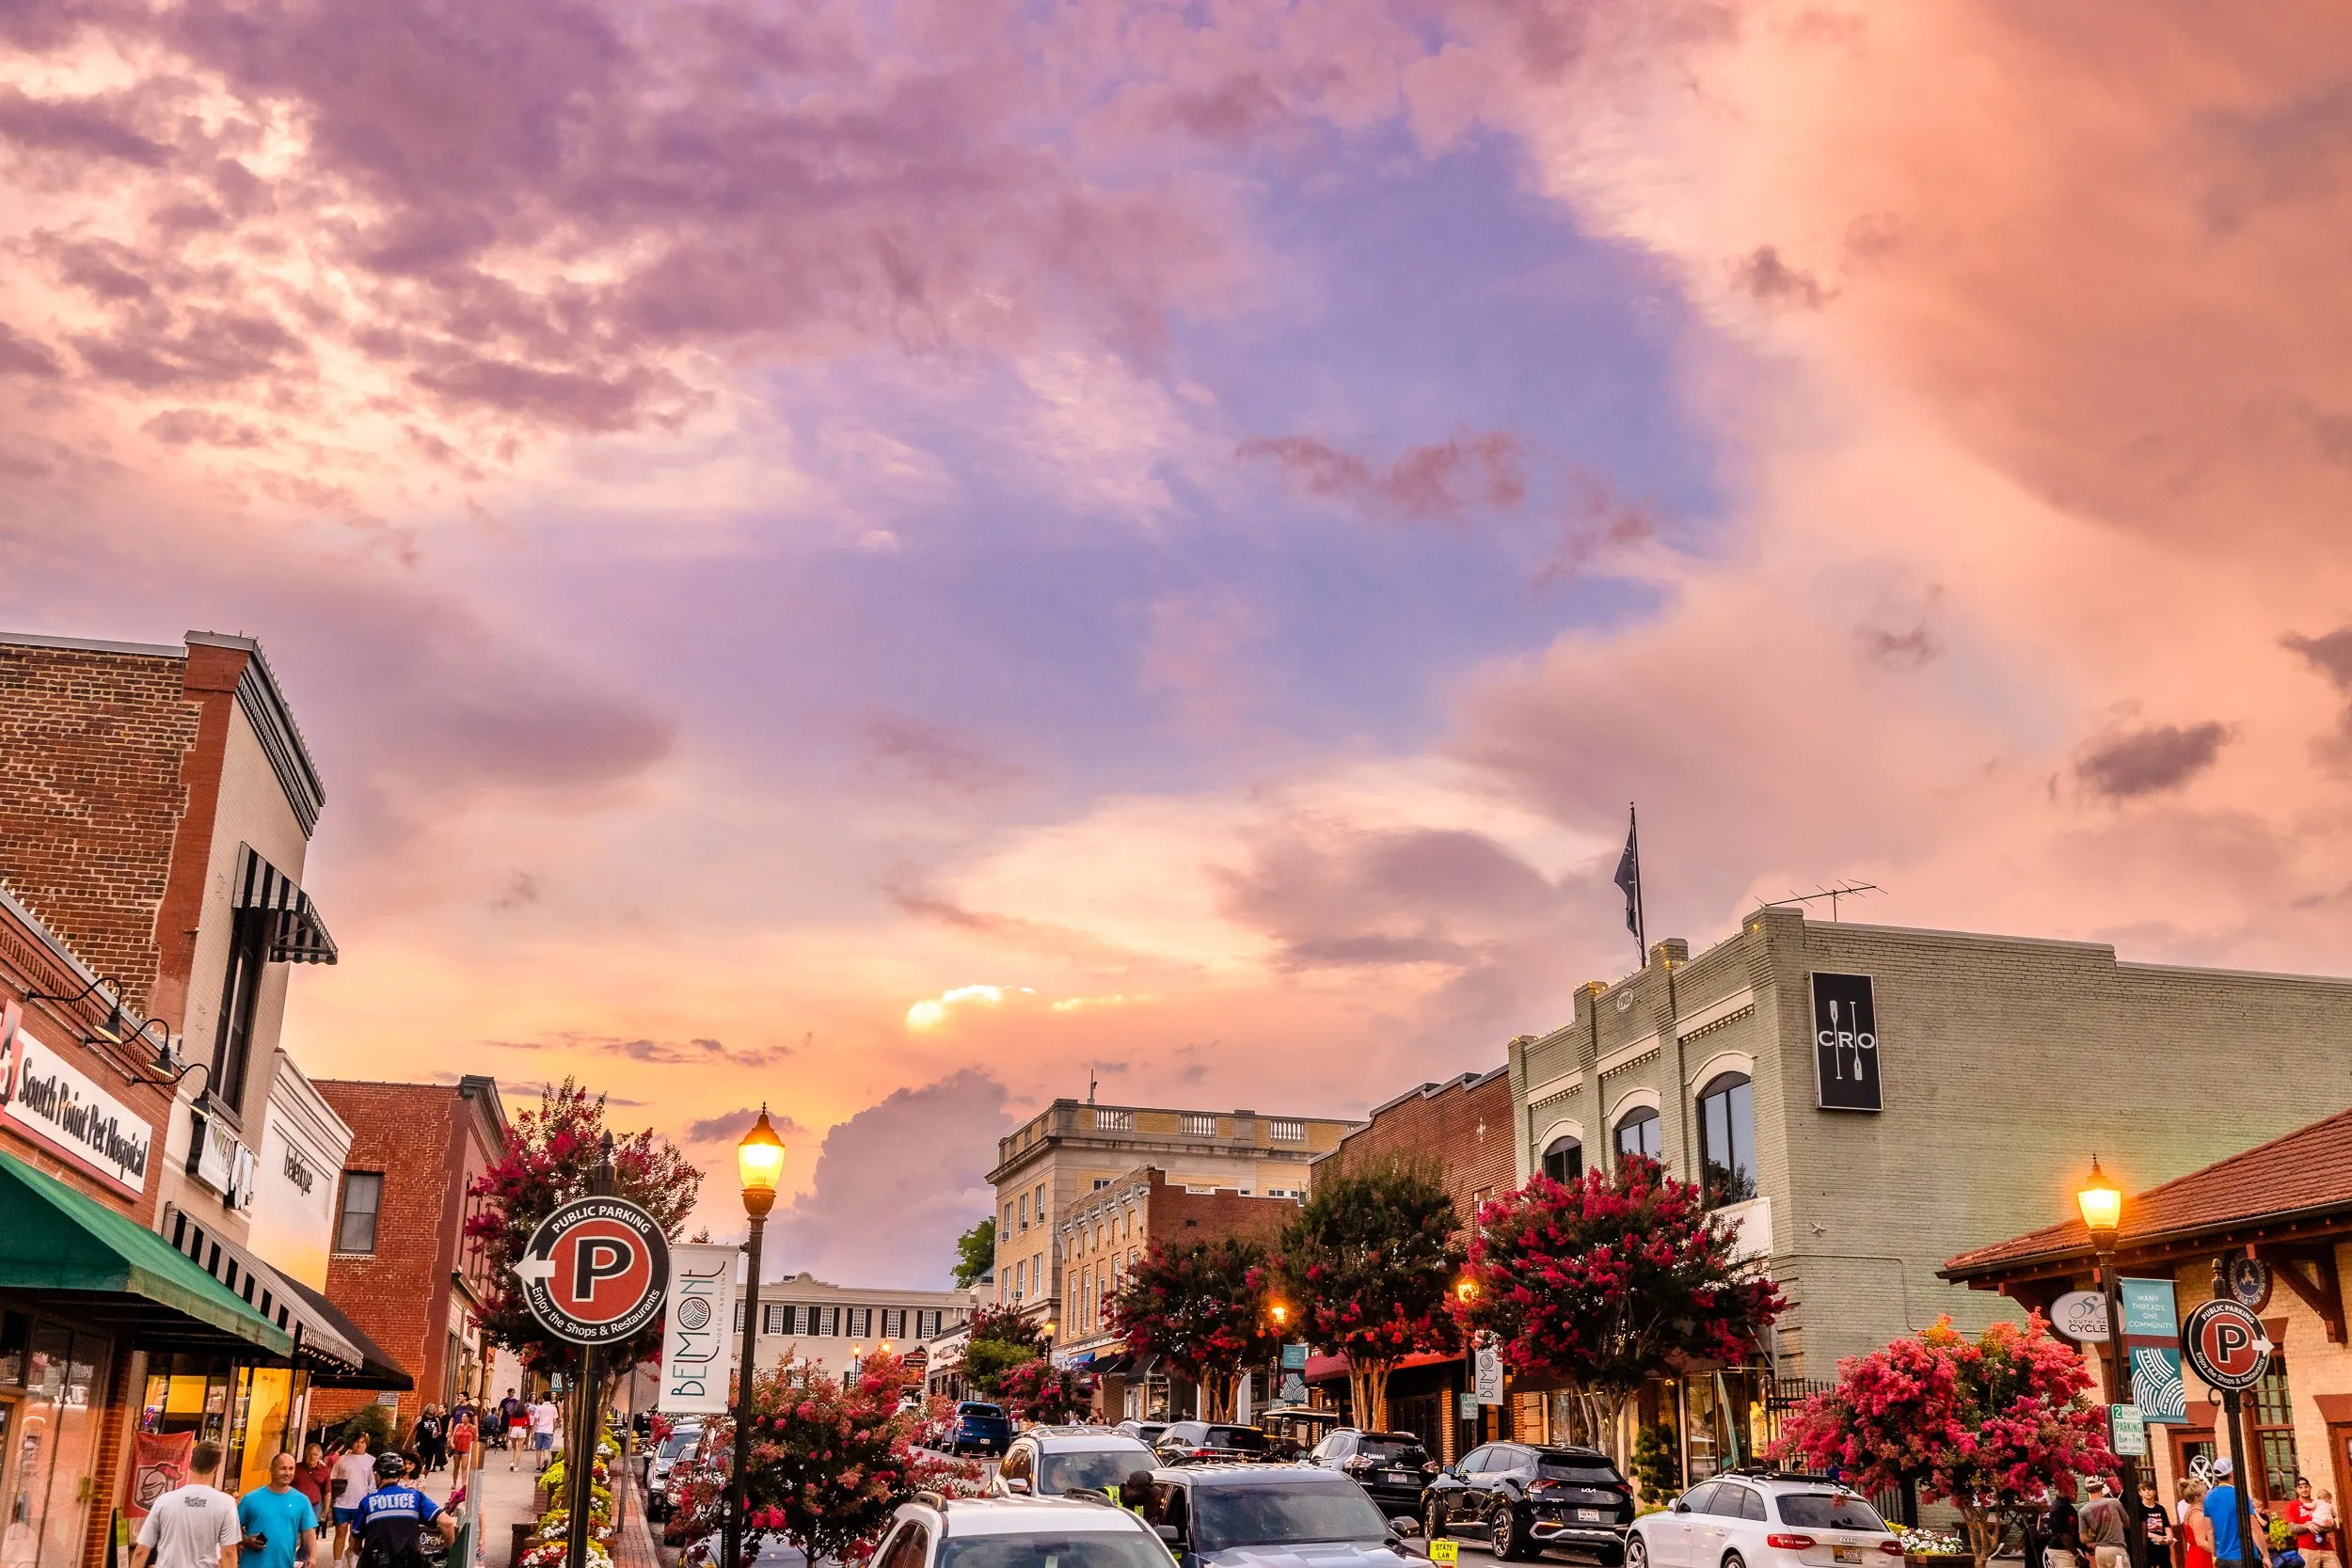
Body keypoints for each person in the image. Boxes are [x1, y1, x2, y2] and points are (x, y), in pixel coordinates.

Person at [133, 1443, 243, 1568]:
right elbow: (229, 1552)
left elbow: (141, 1550)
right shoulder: (226, 1503)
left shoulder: (164, 1501)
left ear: (190, 1464)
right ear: (216, 1468)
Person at [350, 1451, 454, 1568]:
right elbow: (447, 1523)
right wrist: (448, 1552)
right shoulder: (416, 1497)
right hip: (409, 1562)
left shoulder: (367, 1502)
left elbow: (355, 1541)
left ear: (377, 1475)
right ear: (400, 1475)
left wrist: (363, 1554)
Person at [238, 1452, 321, 1568]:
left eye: (291, 1469)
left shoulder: (302, 1500)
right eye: (283, 1468)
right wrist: (247, 1541)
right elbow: (232, 1529)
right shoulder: (251, 1499)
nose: (288, 1473)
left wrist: (312, 1557)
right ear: (271, 1470)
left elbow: (308, 1532)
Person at [328, 1434, 375, 1564]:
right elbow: (333, 1478)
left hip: (360, 1503)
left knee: (355, 1535)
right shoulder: (342, 1459)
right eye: (357, 1442)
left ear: (366, 1444)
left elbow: (372, 1484)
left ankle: (352, 1554)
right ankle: (337, 1562)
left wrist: (370, 1502)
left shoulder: (371, 1461)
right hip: (342, 1502)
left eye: (362, 1442)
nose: (359, 1445)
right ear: (352, 1444)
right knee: (340, 1533)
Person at [2207, 1459, 2250, 1568]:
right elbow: (2253, 1526)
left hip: (2222, 1557)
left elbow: (2210, 1531)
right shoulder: (2240, 1495)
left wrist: (2214, 1556)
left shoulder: (2209, 1497)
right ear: (2232, 1473)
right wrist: (2265, 1555)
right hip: (2242, 1555)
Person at [2084, 1480, 2130, 1568]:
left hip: (2103, 1548)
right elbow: (2127, 1523)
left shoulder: (2084, 1510)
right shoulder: (2111, 1501)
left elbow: (2083, 1537)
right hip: (2115, 1546)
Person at [2043, 1477, 2085, 1568]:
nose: (2076, 1493)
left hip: (2063, 1550)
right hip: (2062, 1552)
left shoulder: (2062, 1505)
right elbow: (2063, 1534)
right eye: (2075, 1490)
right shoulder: (2061, 1507)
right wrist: (2078, 1556)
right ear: (2067, 1489)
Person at [290, 1447, 333, 1516]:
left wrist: (326, 1508)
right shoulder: (295, 1468)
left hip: (314, 1507)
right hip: (295, 1505)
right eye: (310, 1454)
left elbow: (327, 1491)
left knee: (311, 1527)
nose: (312, 1457)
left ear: (319, 1457)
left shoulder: (324, 1470)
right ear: (305, 1455)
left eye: (315, 1454)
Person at [2141, 1481, 2175, 1568]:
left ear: (2154, 1491)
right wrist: (2155, 1536)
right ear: (2140, 1493)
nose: (2147, 1492)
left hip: (2163, 1547)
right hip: (2148, 1548)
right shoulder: (2139, 1509)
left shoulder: (2160, 1508)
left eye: (2149, 1489)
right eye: (2144, 1490)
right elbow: (2140, 1529)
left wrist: (2170, 1535)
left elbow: (2166, 1525)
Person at [2184, 1480, 2217, 1568]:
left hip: (2195, 1554)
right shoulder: (2198, 1515)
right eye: (2205, 1493)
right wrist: (2218, 1552)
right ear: (2197, 1497)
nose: (2207, 1495)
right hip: (2201, 1557)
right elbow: (2201, 1541)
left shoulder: (2190, 1510)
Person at [2308, 1488, 2340, 1568]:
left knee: (2314, 1524)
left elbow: (2311, 1506)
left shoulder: (2316, 1502)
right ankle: (2324, 1534)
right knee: (2324, 1527)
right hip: (2328, 1523)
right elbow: (2335, 1515)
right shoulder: (2329, 1505)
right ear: (2327, 1498)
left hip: (2318, 1523)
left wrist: (2305, 1505)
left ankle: (2317, 1535)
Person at [530, 1394, 560, 1475]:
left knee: (538, 1448)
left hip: (539, 1430)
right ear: (551, 1398)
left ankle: (538, 1466)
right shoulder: (553, 1408)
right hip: (549, 1430)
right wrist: (553, 1430)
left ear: (543, 1399)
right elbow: (555, 1421)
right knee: (546, 1448)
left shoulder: (539, 1408)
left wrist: (533, 1431)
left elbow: (536, 1420)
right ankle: (546, 1459)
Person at [409, 1409, 443, 1477]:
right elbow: (412, 1431)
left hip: (432, 1444)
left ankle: (423, 1479)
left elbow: (440, 1432)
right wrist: (407, 1443)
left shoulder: (436, 1419)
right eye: (431, 1406)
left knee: (428, 1462)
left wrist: (437, 1433)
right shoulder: (420, 1418)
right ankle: (417, 1476)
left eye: (434, 1407)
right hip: (420, 1442)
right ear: (427, 1408)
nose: (432, 1408)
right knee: (419, 1460)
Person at [447, 1412, 475, 1488]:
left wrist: (474, 1449)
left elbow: (475, 1439)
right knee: (456, 1467)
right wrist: (452, 1443)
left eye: (465, 1417)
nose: (463, 1418)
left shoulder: (472, 1428)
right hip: (457, 1448)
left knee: (464, 1467)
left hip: (466, 1449)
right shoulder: (458, 1426)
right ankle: (454, 1483)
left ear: (469, 1418)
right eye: (462, 1417)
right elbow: (453, 1435)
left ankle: (463, 1484)